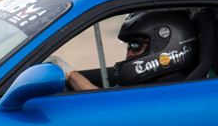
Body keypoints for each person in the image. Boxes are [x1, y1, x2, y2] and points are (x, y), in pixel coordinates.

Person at [55, 10, 198, 91]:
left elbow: (106, 106)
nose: (129, 54)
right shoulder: (150, 83)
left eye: (136, 45)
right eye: (129, 46)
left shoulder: (170, 89)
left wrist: (70, 74)